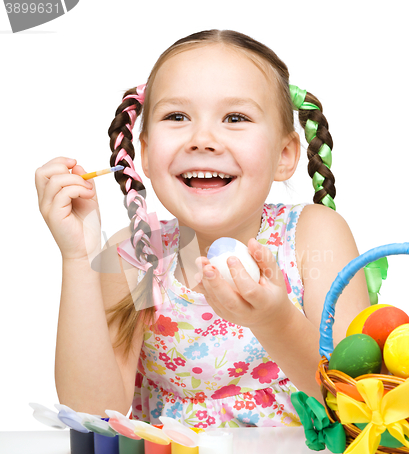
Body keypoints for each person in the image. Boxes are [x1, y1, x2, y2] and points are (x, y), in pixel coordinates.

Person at [35, 30, 370, 429]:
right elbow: (92, 410)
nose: (203, 139)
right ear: (143, 152)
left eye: (235, 118)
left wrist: (273, 320)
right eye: (177, 117)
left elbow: (358, 402)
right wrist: (78, 256)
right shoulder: (137, 254)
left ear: (285, 155)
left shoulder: (313, 236)